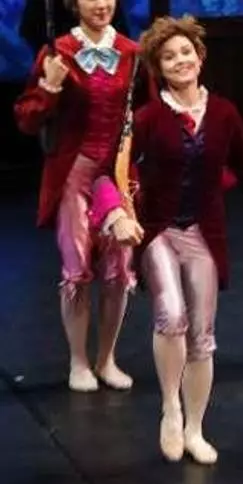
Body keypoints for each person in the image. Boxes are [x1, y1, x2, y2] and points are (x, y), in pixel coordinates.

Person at [89, 15, 243, 463]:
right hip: (158, 230)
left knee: (202, 336)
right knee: (172, 315)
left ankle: (195, 428)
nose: (180, 60)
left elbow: (241, 164)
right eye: (168, 56)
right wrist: (118, 214)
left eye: (186, 52)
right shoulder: (147, 117)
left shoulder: (224, 113)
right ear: (157, 68)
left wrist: (211, 189)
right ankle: (170, 408)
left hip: (203, 232)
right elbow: (106, 171)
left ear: (200, 57)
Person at [13, 0, 150, 393]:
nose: (102, 4)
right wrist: (50, 86)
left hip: (117, 174)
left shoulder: (131, 53)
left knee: (120, 266)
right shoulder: (59, 52)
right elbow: (26, 120)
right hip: (74, 174)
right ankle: (78, 361)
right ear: (73, 4)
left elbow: (145, 113)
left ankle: (107, 358)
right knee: (76, 267)